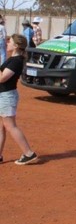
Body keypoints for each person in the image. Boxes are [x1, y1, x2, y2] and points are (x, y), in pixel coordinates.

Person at [0, 34, 38, 165]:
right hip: (4, 95)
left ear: (16, 46)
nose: (7, 43)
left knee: (10, 126)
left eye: (9, 42)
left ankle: (29, 153)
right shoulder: (14, 58)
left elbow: (2, 78)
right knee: (2, 127)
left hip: (7, 96)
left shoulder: (15, 61)